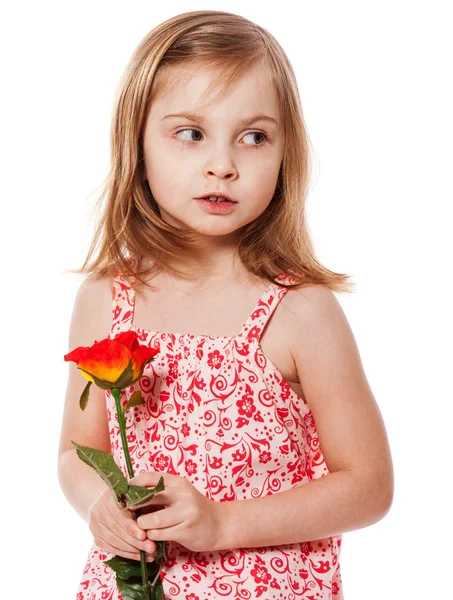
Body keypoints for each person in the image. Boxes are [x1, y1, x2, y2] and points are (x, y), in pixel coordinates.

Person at [58, 9, 394, 600]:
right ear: (137, 142)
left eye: (254, 136)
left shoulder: (300, 311)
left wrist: (223, 523)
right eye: (190, 133)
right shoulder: (105, 300)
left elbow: (368, 485)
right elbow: (77, 452)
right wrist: (97, 504)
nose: (223, 164)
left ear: (286, 152)